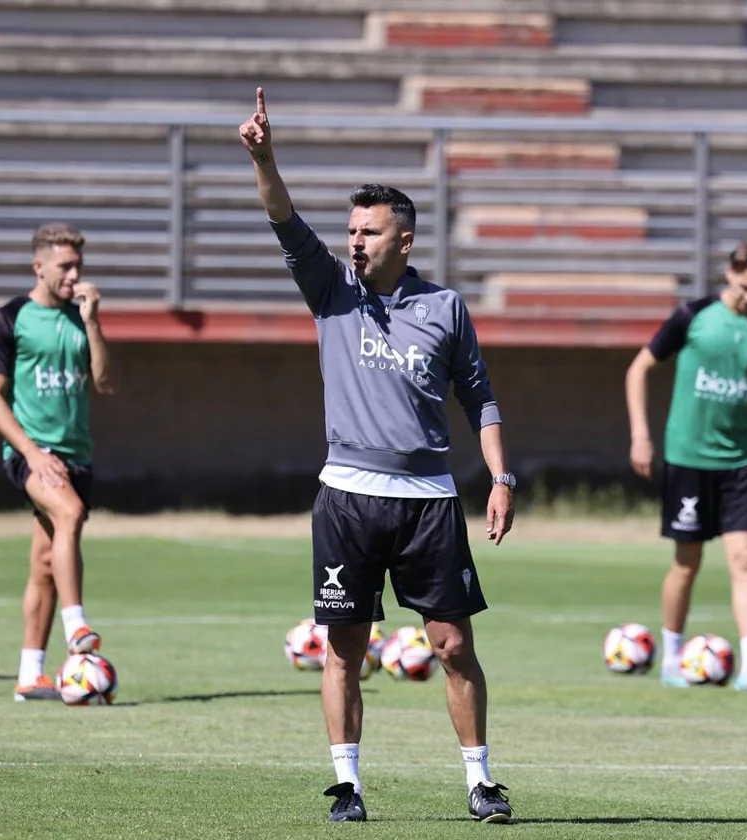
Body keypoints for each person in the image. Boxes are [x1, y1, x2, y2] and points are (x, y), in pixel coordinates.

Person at [240, 88, 517, 823]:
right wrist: (265, 158)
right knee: (344, 646)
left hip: (428, 502)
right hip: (347, 497)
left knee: (454, 644)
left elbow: (480, 398)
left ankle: (480, 781)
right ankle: (347, 786)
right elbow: (283, 221)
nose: (354, 241)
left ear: (404, 241)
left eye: (369, 232)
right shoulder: (331, 290)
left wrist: (500, 477)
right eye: (351, 230)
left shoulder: (446, 309)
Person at [625, 241, 747, 692]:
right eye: (743, 287)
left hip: (740, 465)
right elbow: (638, 369)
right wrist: (641, 435)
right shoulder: (692, 317)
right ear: (729, 273)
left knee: (745, 559)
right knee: (687, 562)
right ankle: (672, 659)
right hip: (688, 462)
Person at [0, 222, 114, 701]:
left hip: (78, 455)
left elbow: (104, 381)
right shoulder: (8, 318)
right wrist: (32, 453)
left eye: (78, 265)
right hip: (31, 452)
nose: (74, 275)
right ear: (38, 267)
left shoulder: (81, 317)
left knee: (43, 561)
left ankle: (29, 675)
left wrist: (94, 320)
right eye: (64, 266)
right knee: (70, 512)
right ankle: (77, 627)